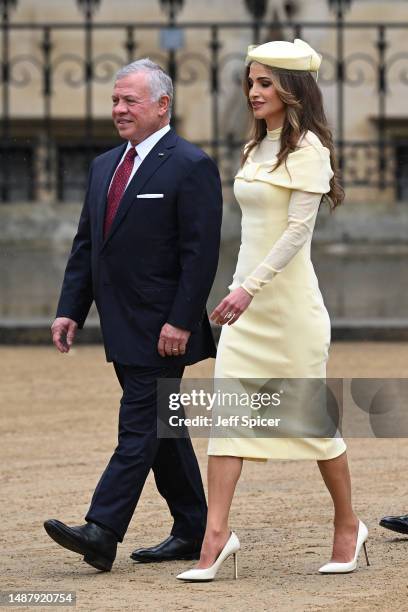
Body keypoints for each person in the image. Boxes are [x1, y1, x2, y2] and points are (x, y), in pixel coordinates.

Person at [177, 39, 369, 582]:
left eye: (265, 83)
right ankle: (215, 539)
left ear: (291, 88)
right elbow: (250, 234)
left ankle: (348, 525)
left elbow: (296, 232)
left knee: (313, 424)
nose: (254, 91)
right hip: (246, 308)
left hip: (289, 311)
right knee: (228, 421)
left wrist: (249, 288)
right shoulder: (252, 149)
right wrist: (238, 287)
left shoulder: (309, 148)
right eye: (251, 81)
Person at [43, 59, 222, 572]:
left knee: (139, 423)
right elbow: (88, 246)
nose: (119, 109)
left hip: (166, 327)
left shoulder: (190, 164)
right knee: (163, 427)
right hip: (120, 324)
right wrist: (70, 310)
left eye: (130, 101)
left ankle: (102, 529)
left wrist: (182, 320)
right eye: (116, 100)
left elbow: (199, 253)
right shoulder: (103, 166)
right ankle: (193, 527)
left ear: (163, 105)